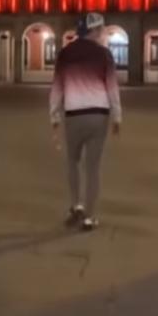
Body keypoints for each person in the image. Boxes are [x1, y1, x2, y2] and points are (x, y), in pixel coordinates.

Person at [50, 12, 122, 231]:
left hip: (73, 115)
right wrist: (117, 116)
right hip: (98, 114)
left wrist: (53, 114)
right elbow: (112, 87)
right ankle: (90, 217)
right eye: (101, 30)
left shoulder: (65, 54)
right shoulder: (104, 55)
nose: (103, 34)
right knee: (93, 167)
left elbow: (57, 87)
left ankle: (76, 205)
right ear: (95, 30)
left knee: (73, 161)